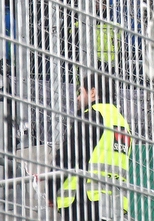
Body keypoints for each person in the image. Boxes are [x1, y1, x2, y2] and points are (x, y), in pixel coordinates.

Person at [52, 75, 132, 221]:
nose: (77, 98)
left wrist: (52, 191)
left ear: (93, 92)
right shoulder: (123, 124)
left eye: (80, 92)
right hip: (116, 203)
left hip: (84, 200)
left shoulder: (91, 116)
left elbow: (67, 156)